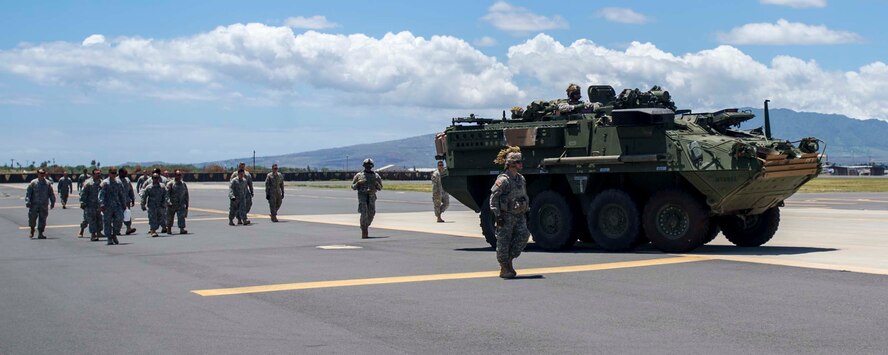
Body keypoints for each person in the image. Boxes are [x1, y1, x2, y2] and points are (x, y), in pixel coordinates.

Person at [489, 146, 531, 279]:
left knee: (524, 235)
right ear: (511, 164)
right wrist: (497, 214)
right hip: (506, 215)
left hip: (519, 214)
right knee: (504, 240)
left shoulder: (521, 179)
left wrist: (526, 209)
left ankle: (510, 260)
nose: (521, 164)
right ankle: (504, 267)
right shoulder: (503, 180)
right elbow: (493, 198)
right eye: (518, 162)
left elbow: (524, 195)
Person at [351, 158, 383, 239]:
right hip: (363, 196)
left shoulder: (376, 176)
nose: (368, 167)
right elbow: (353, 187)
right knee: (364, 212)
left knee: (371, 213)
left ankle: (366, 225)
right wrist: (358, 183)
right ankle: (364, 229)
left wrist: (376, 184)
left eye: (369, 165)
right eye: (366, 165)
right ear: (364, 166)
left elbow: (380, 187)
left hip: (372, 196)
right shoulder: (359, 175)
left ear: (372, 166)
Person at [99, 167, 127, 245]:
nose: (114, 174)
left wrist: (124, 204)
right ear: (109, 173)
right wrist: (101, 204)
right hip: (107, 206)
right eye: (113, 173)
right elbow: (101, 195)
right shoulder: (105, 183)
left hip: (117, 205)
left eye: (115, 173)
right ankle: (109, 238)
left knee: (119, 219)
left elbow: (121, 194)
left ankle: (114, 234)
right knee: (107, 222)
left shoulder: (118, 182)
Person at [25, 169, 56, 239]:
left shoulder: (48, 183)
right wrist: (27, 201)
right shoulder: (33, 183)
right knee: (32, 219)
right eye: (40, 173)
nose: (42, 175)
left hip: (43, 205)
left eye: (43, 173)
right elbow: (28, 193)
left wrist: (53, 202)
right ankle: (32, 229)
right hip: (34, 204)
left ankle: (40, 233)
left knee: (43, 219)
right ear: (38, 174)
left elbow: (51, 193)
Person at [79, 169, 103, 240]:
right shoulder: (88, 183)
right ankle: (92, 234)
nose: (99, 175)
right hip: (90, 205)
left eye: (99, 173)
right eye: (97, 173)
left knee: (99, 219)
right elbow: (83, 193)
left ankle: (98, 232)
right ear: (93, 174)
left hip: (98, 205)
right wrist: (82, 202)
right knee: (89, 220)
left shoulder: (101, 182)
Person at [166, 170, 189, 234]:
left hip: (181, 204)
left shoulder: (183, 184)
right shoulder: (170, 184)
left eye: (180, 175)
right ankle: (169, 228)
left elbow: (186, 194)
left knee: (181, 217)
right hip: (172, 204)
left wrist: (187, 203)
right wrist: (168, 202)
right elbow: (167, 194)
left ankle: (182, 229)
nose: (179, 176)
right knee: (170, 217)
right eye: (177, 175)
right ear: (175, 175)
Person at [116, 168, 137, 235]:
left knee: (127, 215)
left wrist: (133, 199)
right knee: (118, 216)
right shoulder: (116, 180)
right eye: (124, 173)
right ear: (120, 173)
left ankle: (128, 228)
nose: (126, 174)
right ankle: (117, 230)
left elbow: (130, 190)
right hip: (118, 202)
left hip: (126, 201)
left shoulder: (127, 180)